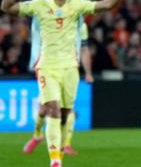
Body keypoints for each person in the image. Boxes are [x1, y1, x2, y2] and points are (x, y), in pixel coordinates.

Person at [1, 0, 128, 167]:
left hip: (70, 68)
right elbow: (7, 7)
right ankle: (55, 161)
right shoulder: (39, 5)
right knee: (52, 109)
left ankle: (49, 141)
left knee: (66, 112)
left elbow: (106, 5)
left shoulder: (77, 4)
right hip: (47, 67)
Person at [23, 19, 94, 155]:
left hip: (69, 69)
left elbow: (84, 49)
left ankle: (65, 145)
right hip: (48, 68)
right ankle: (37, 135)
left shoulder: (80, 26)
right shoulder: (49, 20)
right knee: (44, 109)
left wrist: (88, 73)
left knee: (68, 109)